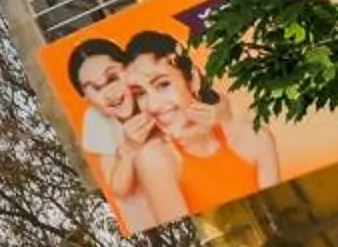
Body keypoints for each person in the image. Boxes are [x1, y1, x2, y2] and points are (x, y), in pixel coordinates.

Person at [120, 29, 282, 223]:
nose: (153, 105)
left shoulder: (252, 137)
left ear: (193, 78)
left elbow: (278, 211)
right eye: (140, 93)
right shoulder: (155, 159)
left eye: (163, 85)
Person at [61, 38, 163, 232]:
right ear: (85, 97)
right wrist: (131, 150)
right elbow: (119, 188)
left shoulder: (158, 85)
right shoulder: (98, 122)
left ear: (130, 69)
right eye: (96, 88)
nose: (109, 93)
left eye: (112, 79)